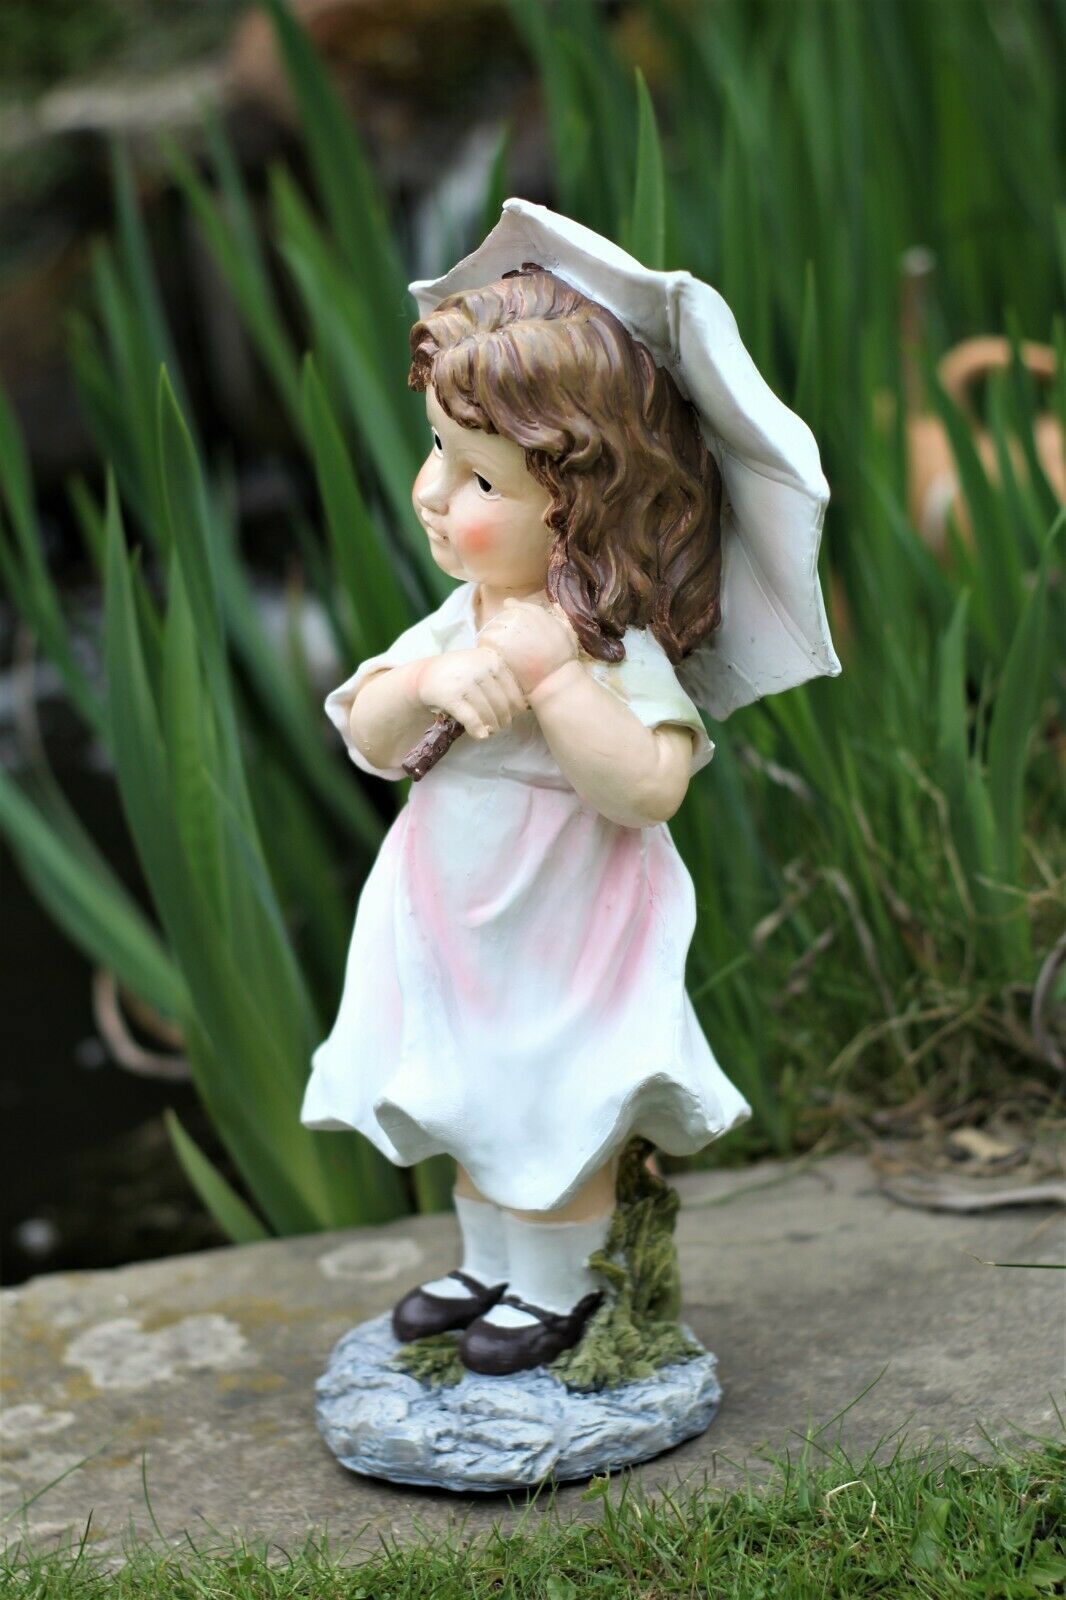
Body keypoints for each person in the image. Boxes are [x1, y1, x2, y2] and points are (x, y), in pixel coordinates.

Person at [302, 204, 839, 1378]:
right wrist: (436, 680)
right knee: (462, 1086)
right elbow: (372, 733)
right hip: (451, 906)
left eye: (477, 471)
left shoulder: (602, 644)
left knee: (552, 1094)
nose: (438, 495)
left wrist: (555, 685)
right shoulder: (462, 617)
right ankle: (485, 1258)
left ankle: (556, 1286)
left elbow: (647, 787)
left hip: (564, 917)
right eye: (437, 451)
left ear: (579, 501)